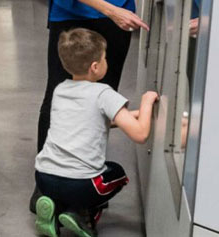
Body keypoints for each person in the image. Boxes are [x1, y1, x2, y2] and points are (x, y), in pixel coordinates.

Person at [28, 0, 175, 211]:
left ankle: (86, 174)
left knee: (103, 95)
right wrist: (111, 12)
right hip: (73, 10)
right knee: (56, 94)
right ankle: (45, 183)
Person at [34, 28, 158, 237]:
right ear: (95, 67)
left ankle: (53, 207)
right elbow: (140, 134)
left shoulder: (60, 89)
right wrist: (147, 103)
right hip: (81, 185)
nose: (106, 61)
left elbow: (89, 122)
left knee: (62, 183)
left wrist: (130, 115)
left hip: (44, 177)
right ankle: (81, 214)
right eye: (105, 57)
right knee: (117, 173)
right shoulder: (103, 94)